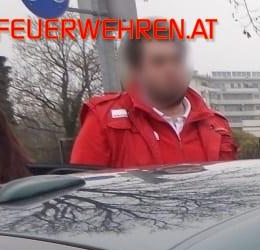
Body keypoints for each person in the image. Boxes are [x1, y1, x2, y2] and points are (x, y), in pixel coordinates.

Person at [71, 39, 236, 168]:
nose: (171, 69)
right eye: (159, 62)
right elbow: (85, 196)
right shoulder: (103, 119)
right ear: (137, 71)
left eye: (177, 60)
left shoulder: (217, 124)